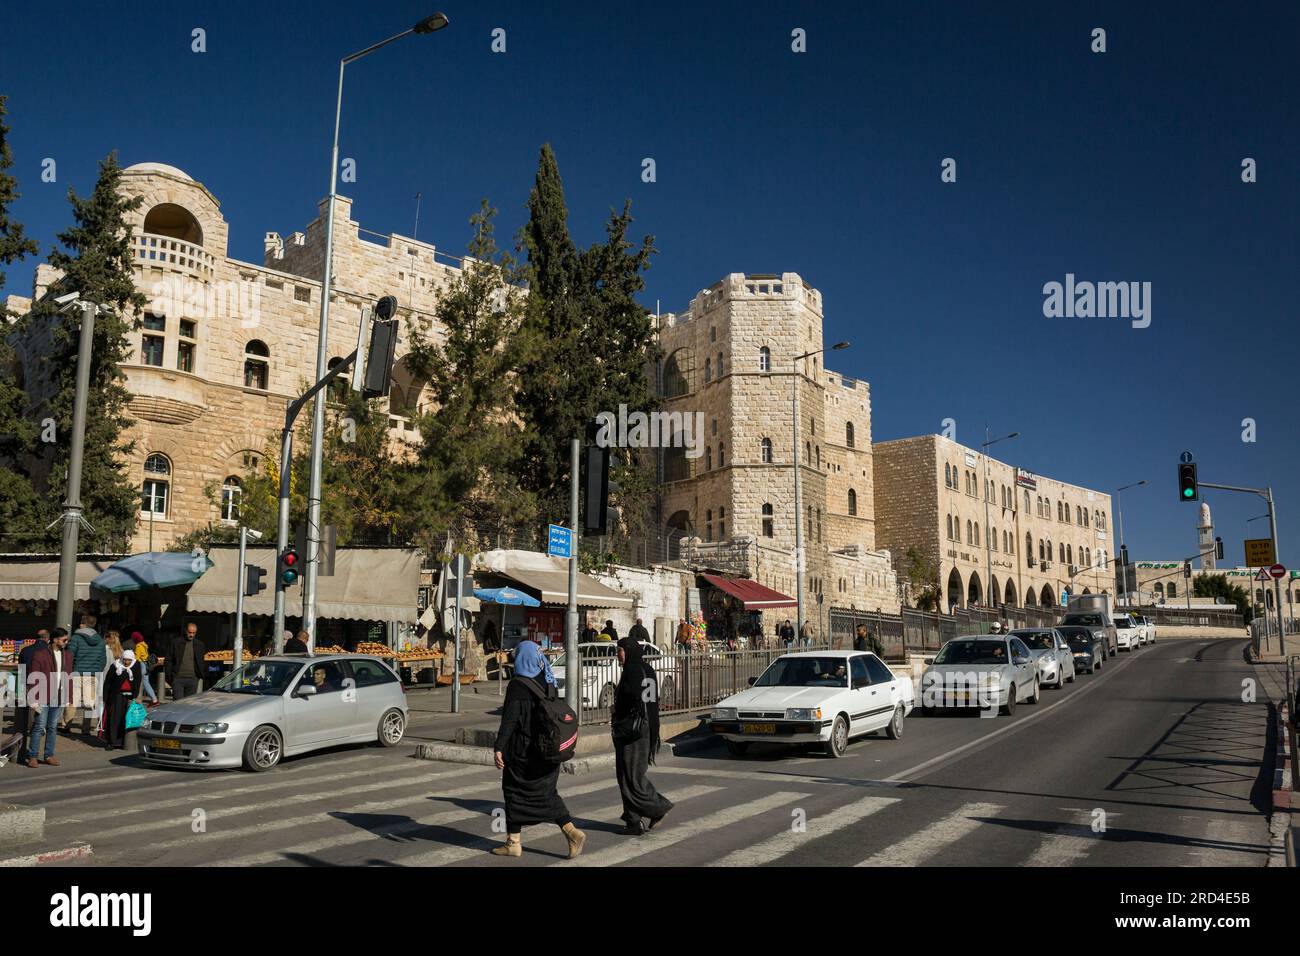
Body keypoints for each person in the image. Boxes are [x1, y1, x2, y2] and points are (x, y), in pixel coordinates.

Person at [490, 641, 585, 859]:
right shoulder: (547, 680)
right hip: (548, 752)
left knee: (513, 792)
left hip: (523, 753)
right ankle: (569, 831)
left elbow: (510, 721)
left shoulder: (518, 685)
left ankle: (514, 843)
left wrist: (498, 748)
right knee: (546, 794)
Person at [612, 637, 674, 835]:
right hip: (647, 728)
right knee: (626, 775)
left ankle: (658, 808)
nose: (618, 655)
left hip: (633, 731)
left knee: (632, 776)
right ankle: (632, 821)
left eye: (620, 650)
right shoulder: (647, 669)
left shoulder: (631, 671)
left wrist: (617, 708)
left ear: (628, 650)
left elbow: (631, 698)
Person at [24, 628, 71, 768]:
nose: (66, 642)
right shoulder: (40, 654)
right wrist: (34, 697)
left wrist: (69, 696)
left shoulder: (68, 655)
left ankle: (49, 755)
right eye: (64, 639)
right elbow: (34, 676)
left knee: (52, 727)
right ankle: (33, 756)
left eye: (67, 640)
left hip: (59, 695)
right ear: (55, 639)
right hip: (43, 695)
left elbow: (68, 676)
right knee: (39, 726)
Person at [64, 614, 106, 735]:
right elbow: (103, 659)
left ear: (83, 623)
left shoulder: (76, 638)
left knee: (72, 700)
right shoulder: (100, 640)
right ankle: (86, 728)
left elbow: (69, 656)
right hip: (92, 674)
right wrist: (97, 670)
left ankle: (66, 725)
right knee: (89, 703)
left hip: (76, 672)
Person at [101, 648, 141, 750]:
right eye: (125, 660)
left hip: (129, 697)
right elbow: (108, 682)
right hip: (116, 696)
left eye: (129, 660)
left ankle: (124, 742)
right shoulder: (115, 666)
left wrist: (135, 696)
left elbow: (137, 680)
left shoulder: (136, 665)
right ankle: (111, 742)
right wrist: (105, 697)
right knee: (114, 719)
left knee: (126, 719)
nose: (127, 662)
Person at [166, 622, 207, 699]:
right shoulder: (176, 642)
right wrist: (170, 676)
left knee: (188, 704)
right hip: (178, 678)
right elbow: (168, 659)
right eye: (189, 632)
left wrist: (200, 675)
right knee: (177, 703)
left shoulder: (199, 645)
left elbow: (202, 661)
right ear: (186, 631)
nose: (191, 635)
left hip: (193, 679)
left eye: (193, 633)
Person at [131, 639, 160, 705]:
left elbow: (137, 658)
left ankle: (135, 699)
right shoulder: (144, 645)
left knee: (136, 682)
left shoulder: (138, 646)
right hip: (145, 666)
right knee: (146, 683)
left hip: (141, 665)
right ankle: (154, 699)